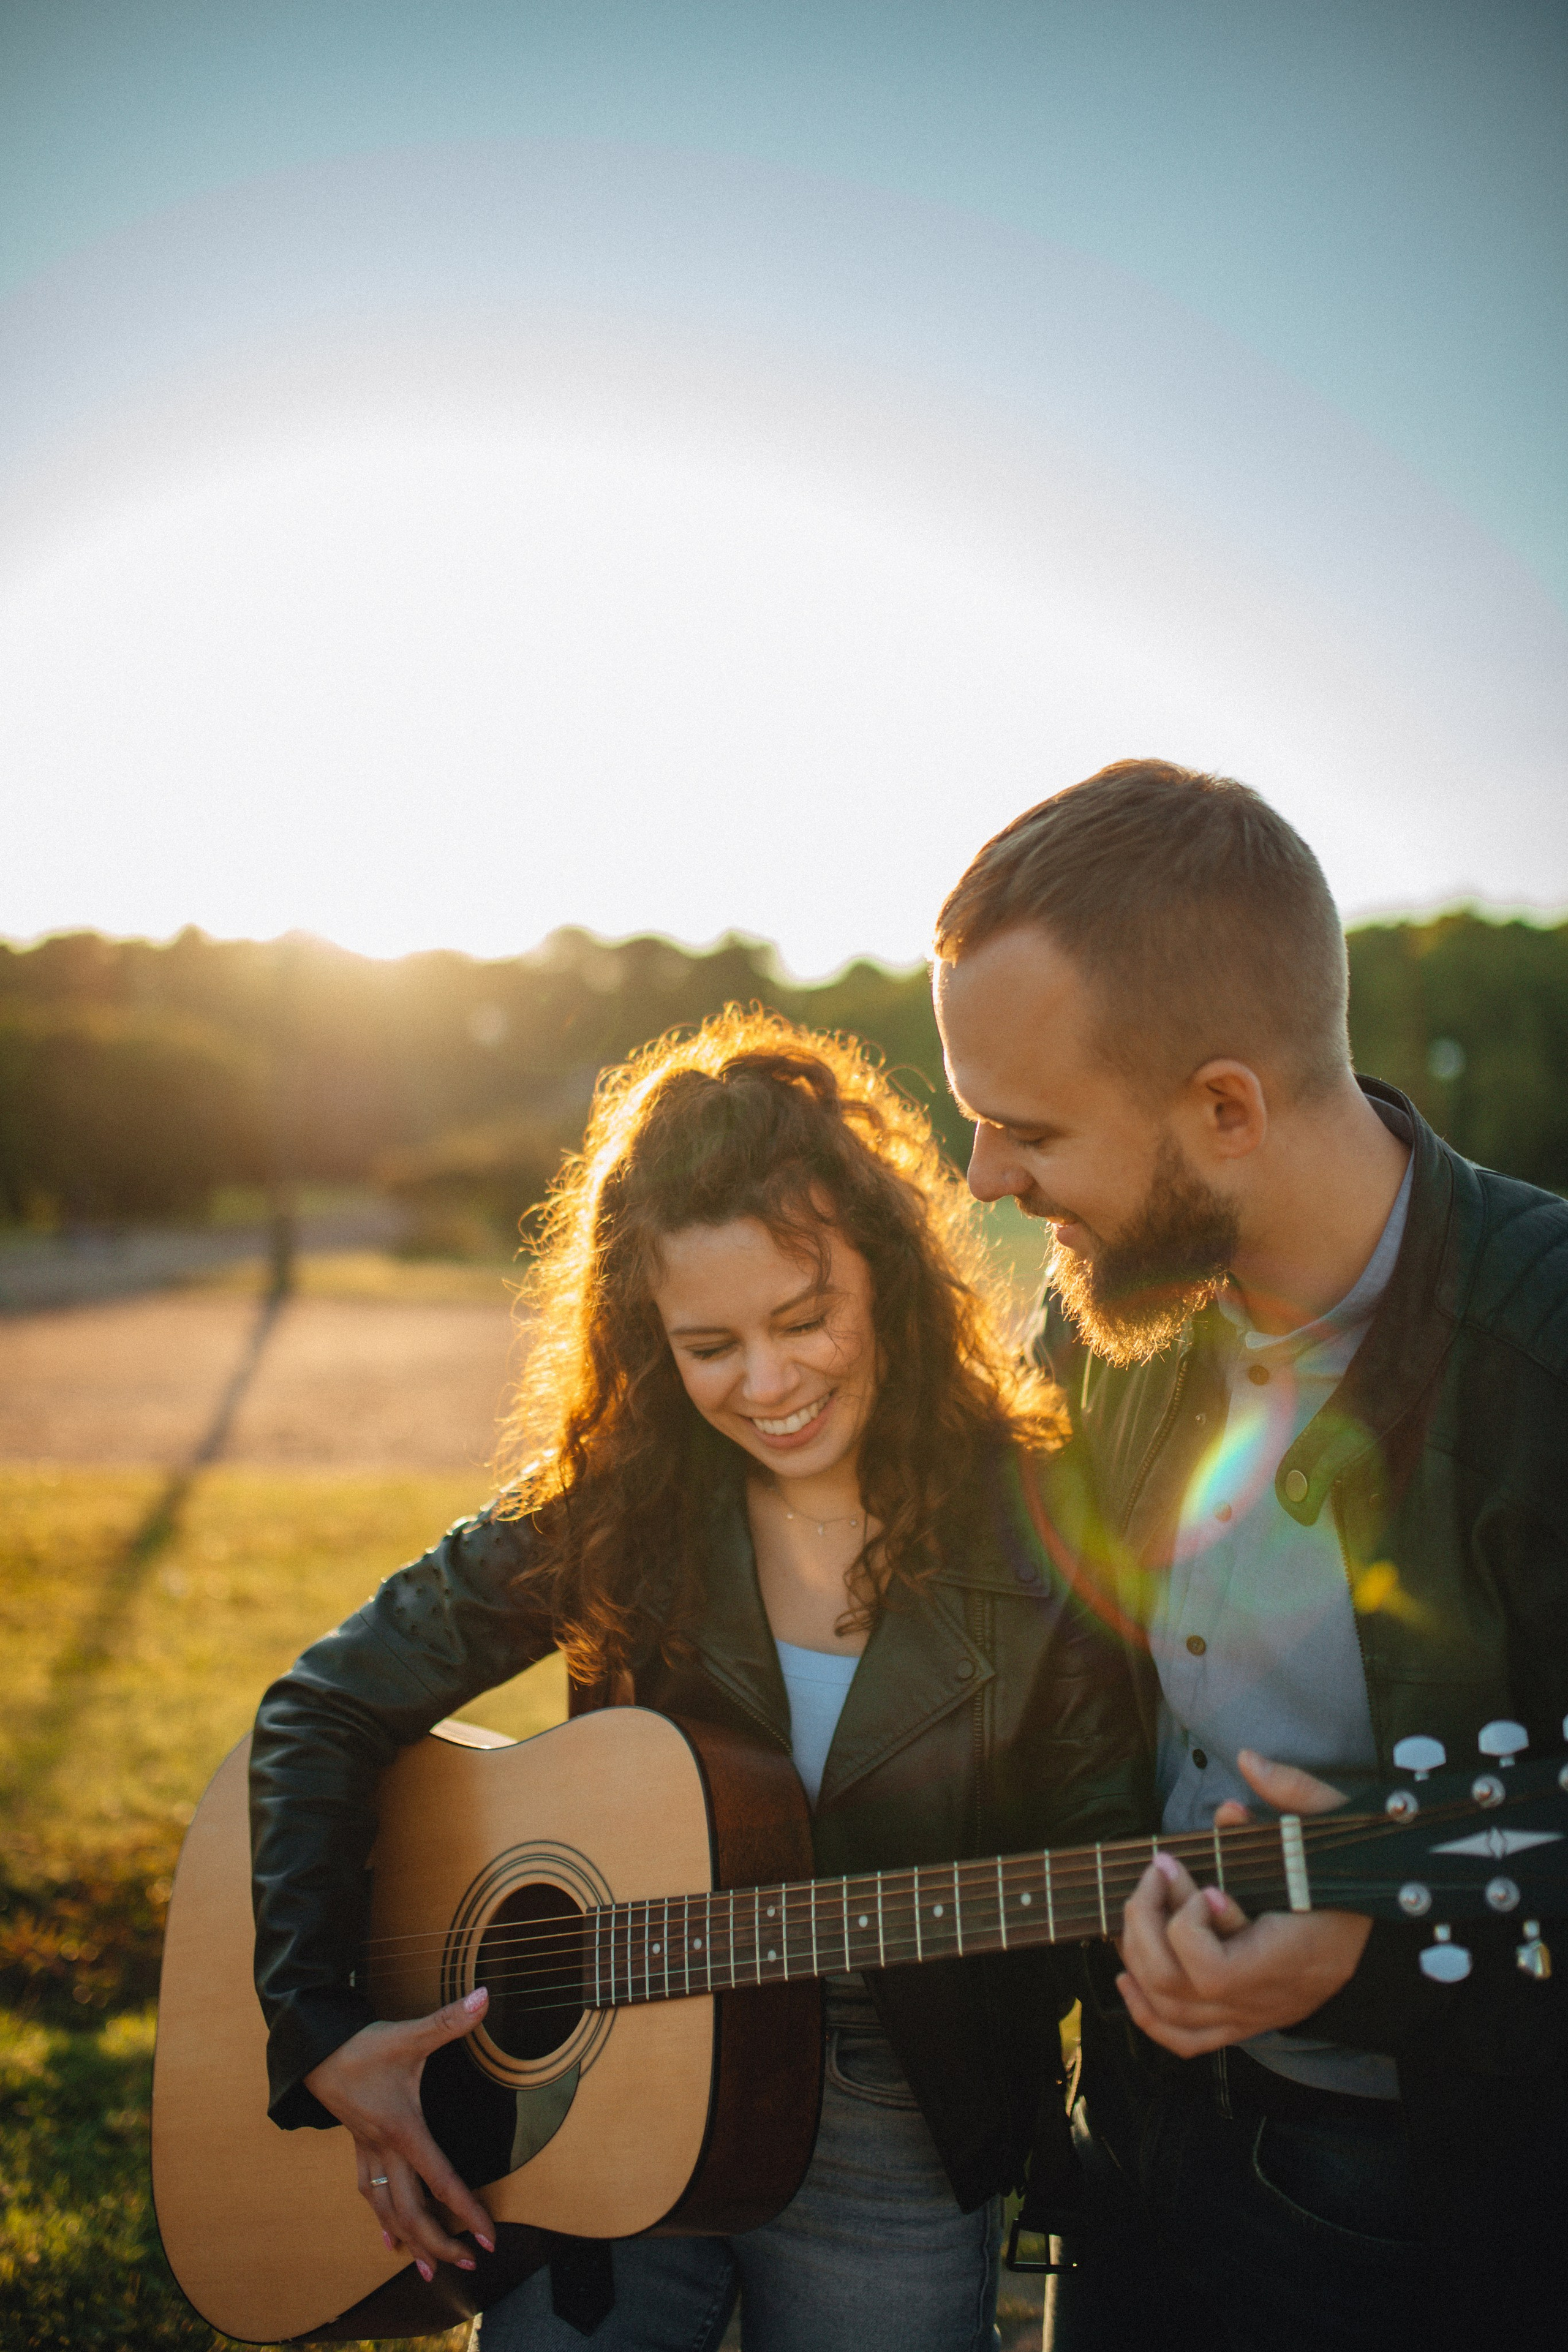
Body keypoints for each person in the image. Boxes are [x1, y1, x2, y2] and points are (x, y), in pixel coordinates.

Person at [249, 1008, 1147, 2352]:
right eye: (709, 1346)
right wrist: (319, 2023)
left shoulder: (1031, 1516)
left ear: (888, 1278)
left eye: (804, 1319)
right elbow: (319, 1709)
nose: (769, 1384)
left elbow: (1102, 1843)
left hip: (891, 2102)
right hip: (594, 2088)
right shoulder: (616, 1500)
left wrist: (1185, 1931)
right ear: (647, 1338)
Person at [932, 758, 1568, 2350]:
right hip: (1137, 2152)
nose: (984, 1180)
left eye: (1024, 1128)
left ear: (1226, 1109)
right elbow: (1045, 1673)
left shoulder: (1545, 1352)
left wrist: (1369, 1954)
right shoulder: (1115, 1318)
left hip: (1429, 2210)